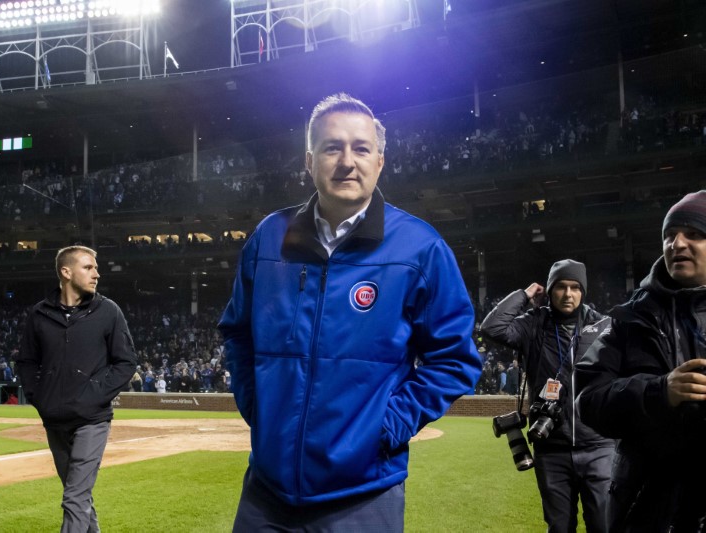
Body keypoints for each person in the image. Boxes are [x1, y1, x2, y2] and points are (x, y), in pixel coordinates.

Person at [219, 93, 481, 531]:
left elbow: (454, 359)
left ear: (380, 161)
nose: (347, 161)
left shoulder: (420, 247)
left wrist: (385, 428)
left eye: (361, 148)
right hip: (266, 494)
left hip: (363, 495)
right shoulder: (268, 238)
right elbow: (237, 332)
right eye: (331, 147)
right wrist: (258, 408)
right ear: (309, 160)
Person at [576, 190, 706, 531]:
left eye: (694, 234)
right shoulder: (630, 318)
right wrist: (659, 392)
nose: (677, 244)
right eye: (669, 235)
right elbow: (589, 399)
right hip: (647, 508)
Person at [480, 259, 614, 533]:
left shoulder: (604, 327)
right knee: (558, 526)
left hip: (598, 446)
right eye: (561, 287)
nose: (568, 294)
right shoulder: (533, 325)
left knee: (603, 525)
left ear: (583, 291)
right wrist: (524, 295)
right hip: (551, 448)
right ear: (550, 290)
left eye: (575, 287)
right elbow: (491, 328)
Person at [16, 245, 136, 533]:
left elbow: (126, 362)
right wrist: (39, 397)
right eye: (89, 267)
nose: (97, 273)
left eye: (95, 268)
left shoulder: (108, 311)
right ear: (66, 272)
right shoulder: (40, 314)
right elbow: (27, 362)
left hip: (91, 419)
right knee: (78, 495)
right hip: (54, 418)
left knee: (74, 496)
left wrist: (93, 396)